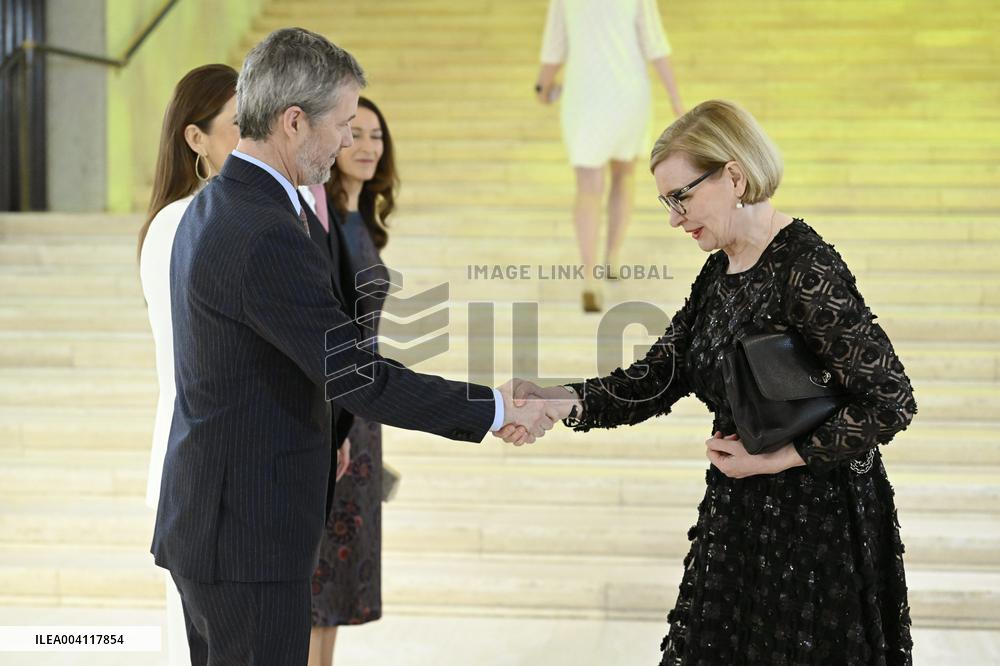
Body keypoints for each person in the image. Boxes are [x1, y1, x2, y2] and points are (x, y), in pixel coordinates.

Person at [150, 28, 560, 666]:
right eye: (341, 124)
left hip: (222, 523)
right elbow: (356, 374)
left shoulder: (224, 203)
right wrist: (496, 408)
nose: (347, 141)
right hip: (246, 538)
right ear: (293, 121)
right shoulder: (261, 229)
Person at [498, 100, 917, 664]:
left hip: (816, 527)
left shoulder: (805, 266)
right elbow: (656, 376)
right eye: (667, 203)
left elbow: (890, 400)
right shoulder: (720, 270)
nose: (675, 218)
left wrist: (775, 459)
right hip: (742, 512)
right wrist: (559, 399)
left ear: (734, 177)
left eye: (682, 197)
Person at [138, 63, 241, 666]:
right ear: (196, 138)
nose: (253, 138)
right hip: (199, 471)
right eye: (238, 125)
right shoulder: (187, 221)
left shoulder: (206, 215)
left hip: (207, 467)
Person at [304, 95, 396, 666]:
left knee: (337, 580)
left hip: (363, 413)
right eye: (354, 133)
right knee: (317, 574)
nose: (366, 146)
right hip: (335, 405)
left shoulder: (364, 221)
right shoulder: (323, 219)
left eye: (377, 136)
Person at [536, 0, 684, 312]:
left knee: (588, 187)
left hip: (584, 95)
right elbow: (654, 43)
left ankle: (590, 279)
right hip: (628, 93)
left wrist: (542, 86)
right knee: (624, 175)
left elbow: (554, 47)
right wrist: (675, 99)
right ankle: (612, 258)